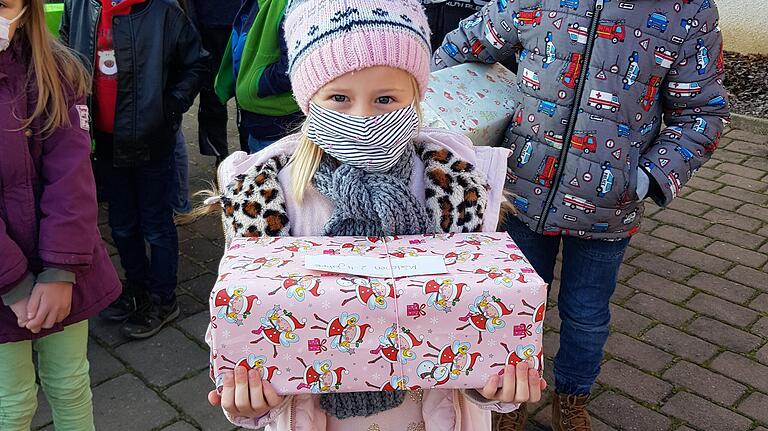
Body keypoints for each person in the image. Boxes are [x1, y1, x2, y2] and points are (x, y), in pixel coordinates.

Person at [192, 1, 548, 429]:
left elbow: (472, 312)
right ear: (308, 99)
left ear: (415, 95)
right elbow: (247, 315)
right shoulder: (268, 195)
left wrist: (490, 384)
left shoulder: (454, 187)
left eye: (385, 98)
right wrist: (250, 401)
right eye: (339, 97)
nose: (362, 117)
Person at [433, 1, 729, 430]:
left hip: (607, 211)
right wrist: (441, 114)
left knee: (586, 315)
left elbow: (702, 111)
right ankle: (511, 397)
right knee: (513, 308)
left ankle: (572, 397)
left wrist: (645, 178)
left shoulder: (687, 11)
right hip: (523, 194)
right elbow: (464, 46)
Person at [0, 0, 121, 428]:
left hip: (65, 269)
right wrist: (12, 282)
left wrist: (59, 270)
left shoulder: (55, 70)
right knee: (12, 403)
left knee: (71, 383)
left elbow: (73, 175)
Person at [60, 0, 207, 338]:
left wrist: (169, 109)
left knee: (155, 223)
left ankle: (163, 298)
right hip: (105, 139)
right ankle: (136, 286)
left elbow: (197, 63)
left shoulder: (164, 11)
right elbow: (67, 50)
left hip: (150, 137)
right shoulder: (80, 6)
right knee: (122, 223)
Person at [214, 0, 303, 155]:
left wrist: (255, 84)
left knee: (273, 174)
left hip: (278, 123)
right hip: (254, 113)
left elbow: (295, 64)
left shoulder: (293, 6)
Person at [188, 0, 240, 163]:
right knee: (212, 92)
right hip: (208, 22)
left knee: (245, 88)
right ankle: (219, 153)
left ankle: (250, 152)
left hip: (242, 18)